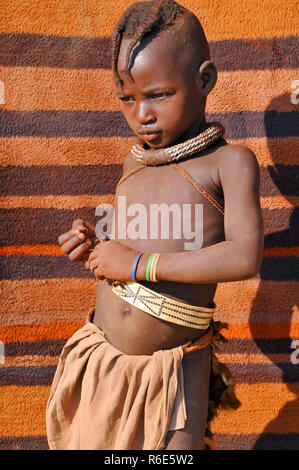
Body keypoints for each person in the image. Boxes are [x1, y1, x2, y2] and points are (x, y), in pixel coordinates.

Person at [46, 0, 264, 450]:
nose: (141, 114)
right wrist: (94, 246)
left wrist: (139, 264)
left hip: (173, 369)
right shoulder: (134, 160)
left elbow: (244, 255)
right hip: (101, 358)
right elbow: (127, 252)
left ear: (205, 79)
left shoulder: (229, 163)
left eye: (159, 95)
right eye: (127, 98)